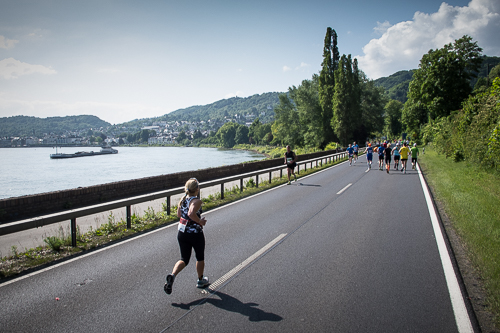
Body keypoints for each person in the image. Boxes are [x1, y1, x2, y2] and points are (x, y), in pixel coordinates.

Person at [164, 178, 209, 295]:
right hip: (195, 234)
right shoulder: (196, 201)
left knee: (184, 259)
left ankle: (172, 275)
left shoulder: (183, 200)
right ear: (197, 189)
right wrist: (200, 221)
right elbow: (190, 213)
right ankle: (200, 280)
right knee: (200, 257)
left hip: (182, 234)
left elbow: (179, 214)